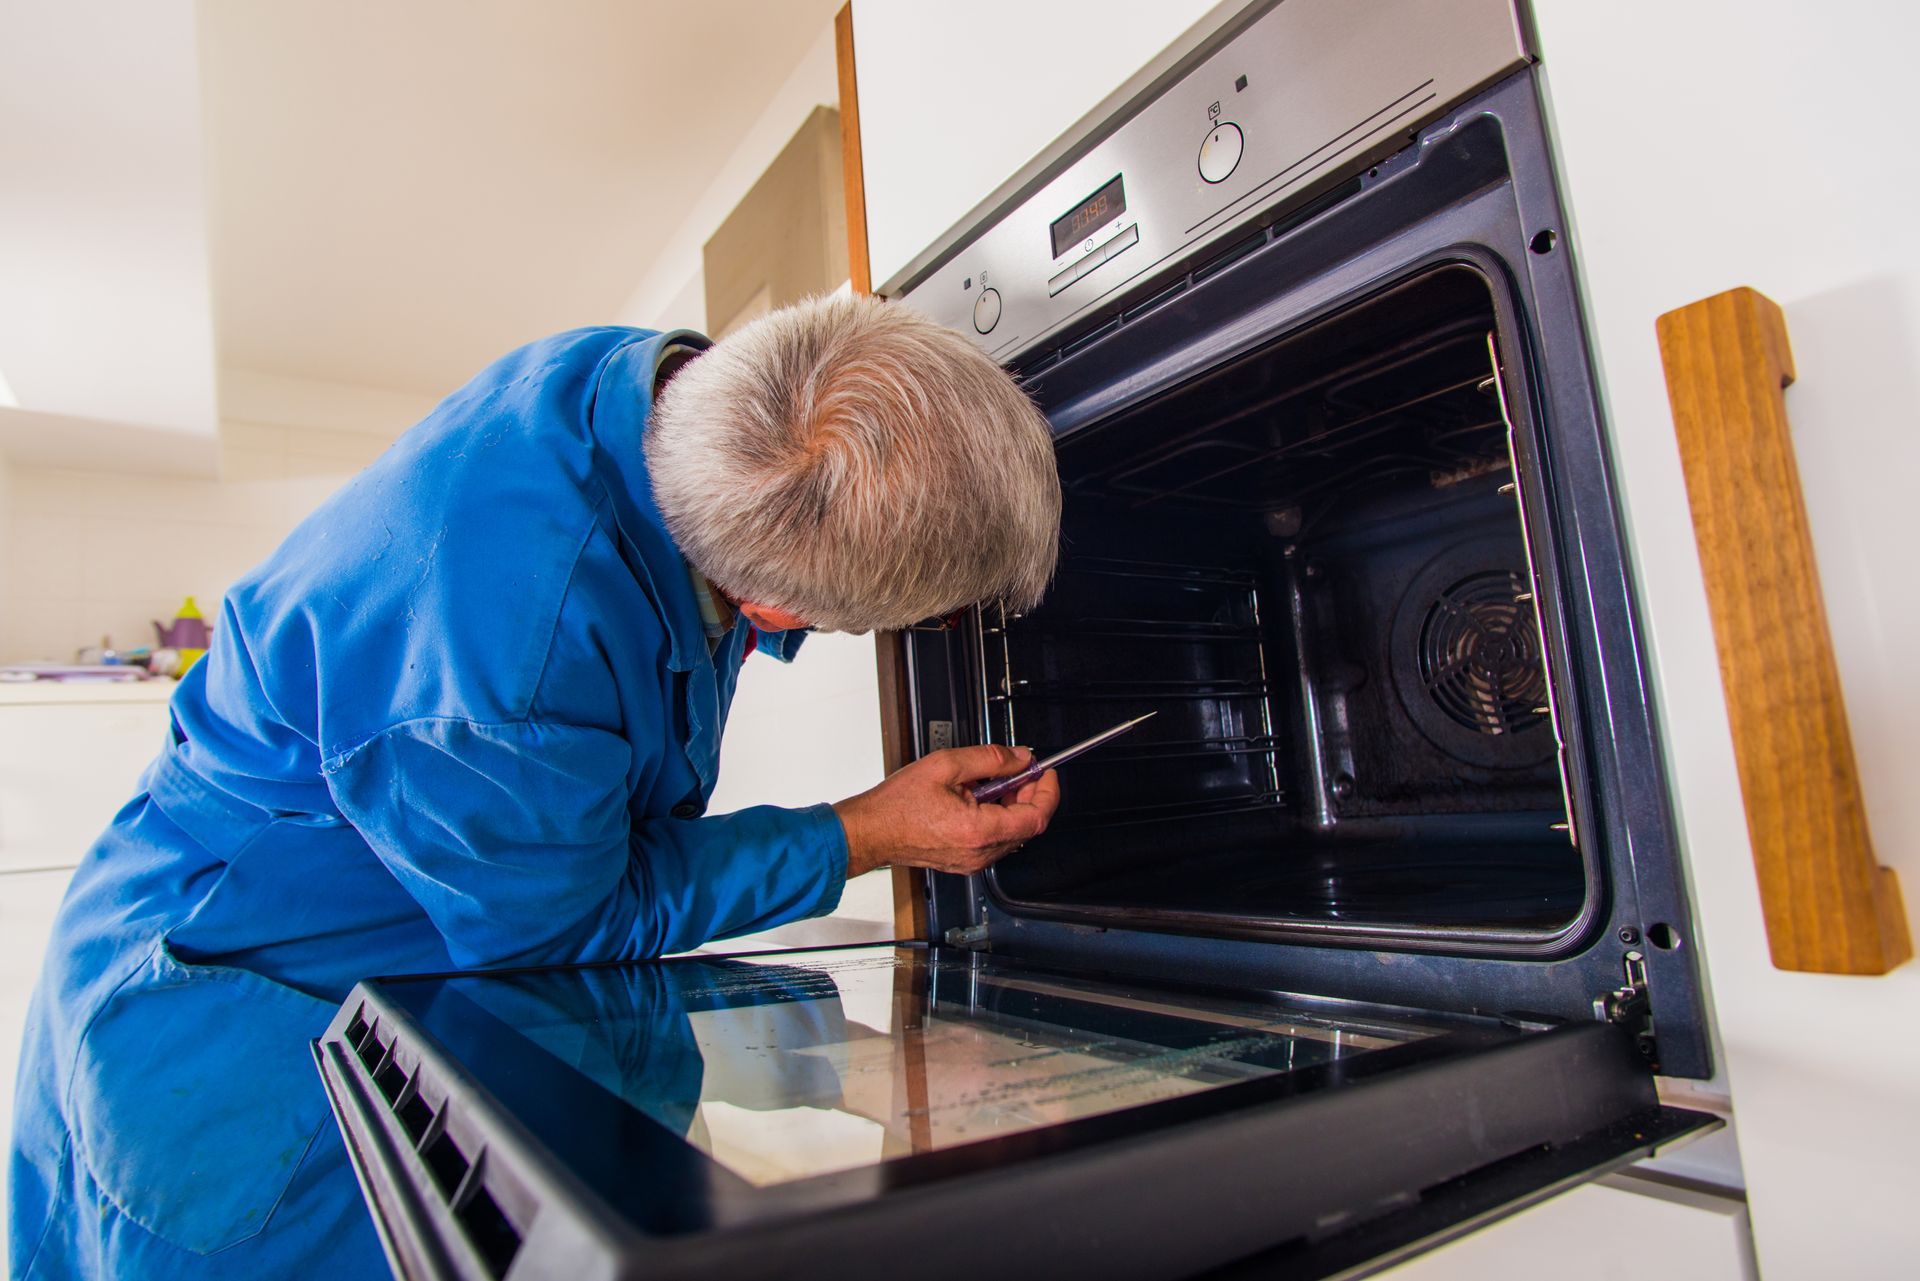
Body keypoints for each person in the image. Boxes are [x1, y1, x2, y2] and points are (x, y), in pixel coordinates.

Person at [6, 294, 1064, 1279]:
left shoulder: (670, 398)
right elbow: (571, 919)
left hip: (381, 900)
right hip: (235, 1035)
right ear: (770, 608)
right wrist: (862, 833)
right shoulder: (503, 677)